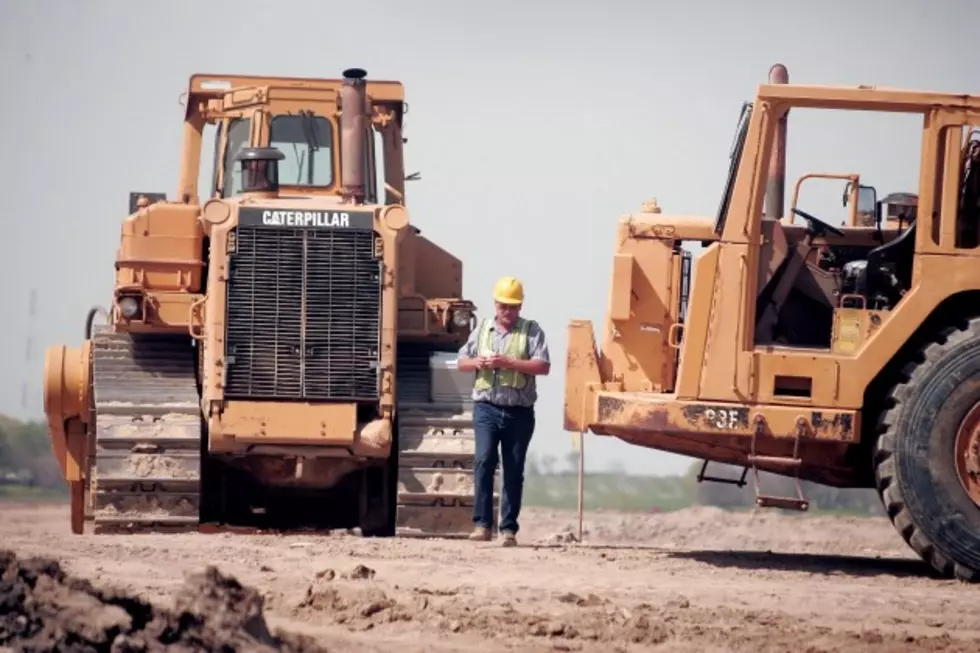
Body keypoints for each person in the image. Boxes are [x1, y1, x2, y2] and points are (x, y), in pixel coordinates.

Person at [456, 275, 551, 547]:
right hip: (486, 407)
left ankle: (508, 529)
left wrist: (508, 361)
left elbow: (543, 366)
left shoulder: (532, 331)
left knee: (513, 469)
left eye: (513, 307)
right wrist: (478, 362)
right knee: (484, 461)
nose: (507, 312)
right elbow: (461, 362)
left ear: (520, 307)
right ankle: (482, 525)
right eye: (502, 306)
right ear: (495, 305)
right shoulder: (483, 329)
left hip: (519, 412)